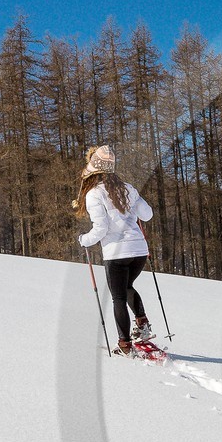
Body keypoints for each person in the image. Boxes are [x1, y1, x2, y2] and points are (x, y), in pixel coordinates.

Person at [76, 145, 154, 355]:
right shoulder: (128, 188)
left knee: (118, 297)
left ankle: (125, 344)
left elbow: (100, 229)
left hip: (117, 253)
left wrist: (84, 240)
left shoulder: (94, 194)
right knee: (128, 286)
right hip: (138, 251)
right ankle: (142, 323)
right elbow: (147, 215)